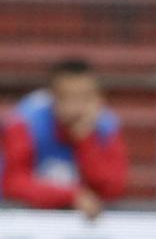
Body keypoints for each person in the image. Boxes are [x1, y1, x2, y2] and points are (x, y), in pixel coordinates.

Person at [1, 58, 128, 219]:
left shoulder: (105, 127)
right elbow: (12, 183)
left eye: (85, 97)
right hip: (27, 220)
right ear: (52, 97)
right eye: (67, 97)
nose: (76, 107)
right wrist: (72, 196)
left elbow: (112, 190)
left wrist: (85, 141)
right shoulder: (26, 122)